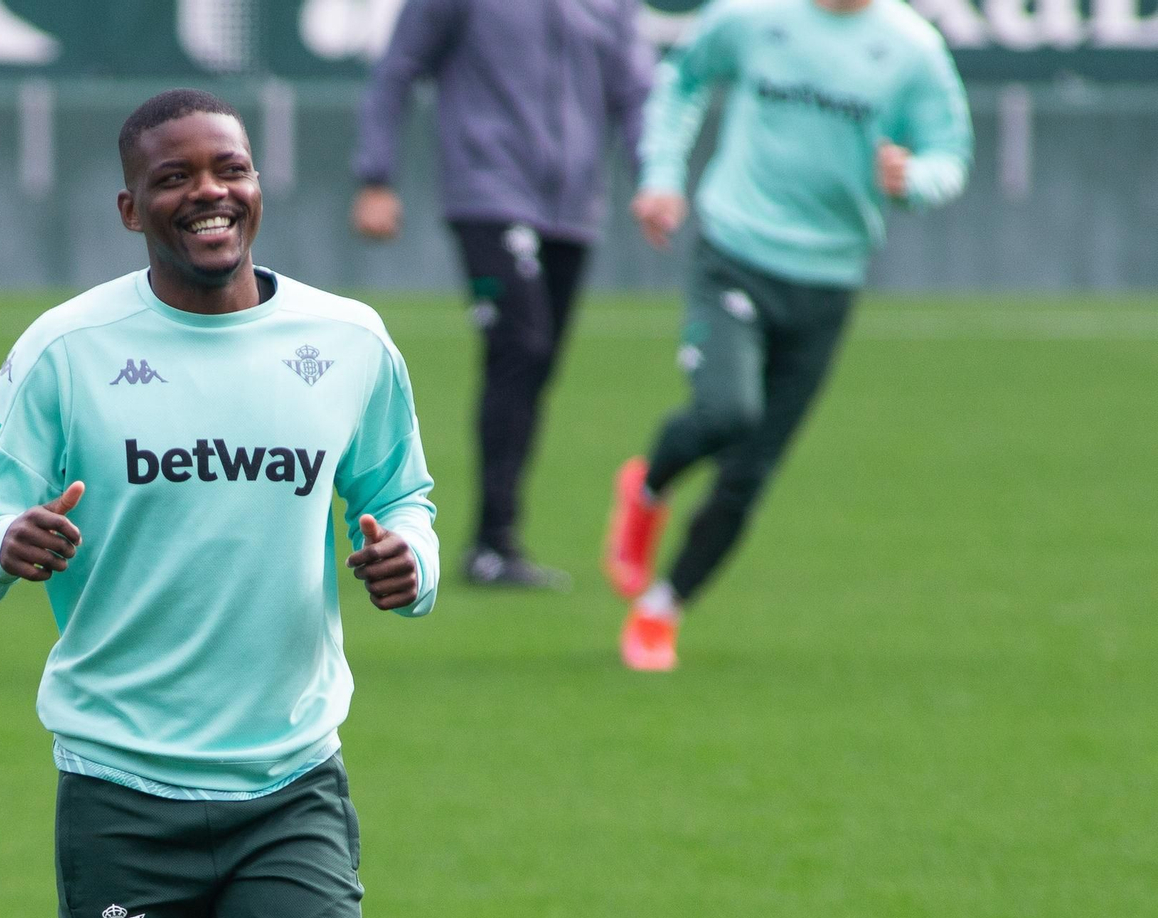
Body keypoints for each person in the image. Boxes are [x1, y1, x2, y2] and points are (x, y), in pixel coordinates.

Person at [0, 89, 439, 918]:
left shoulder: (349, 343)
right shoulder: (65, 352)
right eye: (174, 178)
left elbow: (401, 495)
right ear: (130, 209)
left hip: (289, 792)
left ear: (258, 185)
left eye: (230, 170)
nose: (209, 193)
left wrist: (411, 562)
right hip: (120, 797)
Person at [603, 0, 972, 670]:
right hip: (736, 252)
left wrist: (913, 180)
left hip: (830, 281)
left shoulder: (911, 47)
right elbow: (682, 78)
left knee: (750, 471)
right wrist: (661, 176)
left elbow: (950, 153)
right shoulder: (753, 16)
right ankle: (648, 487)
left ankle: (662, 608)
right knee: (727, 411)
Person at [351, 0, 653, 588]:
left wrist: (653, 178)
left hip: (574, 209)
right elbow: (397, 67)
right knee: (521, 346)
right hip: (488, 192)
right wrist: (375, 176)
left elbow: (636, 90)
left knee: (536, 364)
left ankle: (497, 542)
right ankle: (491, 543)